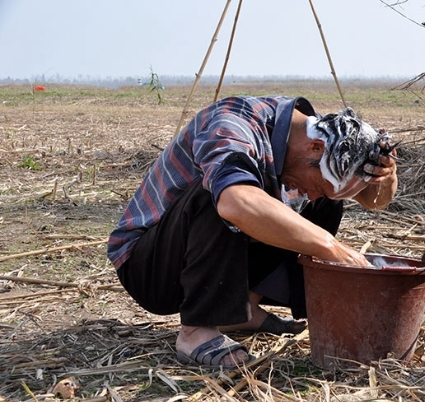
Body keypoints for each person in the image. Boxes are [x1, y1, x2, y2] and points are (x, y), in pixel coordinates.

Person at [107, 95, 398, 368]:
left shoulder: (319, 141)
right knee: (227, 192)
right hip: (150, 267)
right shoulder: (232, 124)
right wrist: (329, 246)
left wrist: (387, 174)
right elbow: (235, 204)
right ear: (315, 148)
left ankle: (240, 310)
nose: (309, 195)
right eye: (317, 185)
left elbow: (376, 201)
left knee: (325, 205)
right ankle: (197, 329)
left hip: (205, 258)